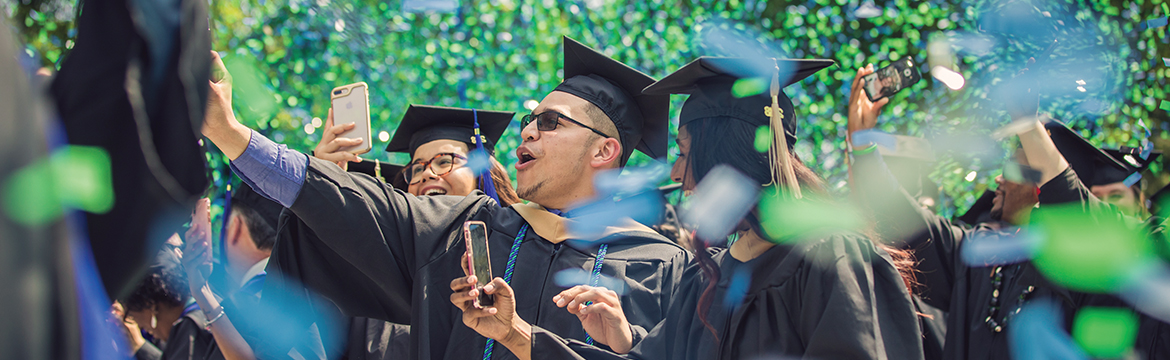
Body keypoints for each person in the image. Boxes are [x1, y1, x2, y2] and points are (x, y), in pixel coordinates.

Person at [201, 37, 689, 359]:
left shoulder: (663, 266)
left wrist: (625, 342)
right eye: (528, 120)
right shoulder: (468, 228)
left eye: (550, 122)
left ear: (604, 150)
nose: (528, 131)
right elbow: (349, 202)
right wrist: (231, 133)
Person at [454, 57, 925, 360]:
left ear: (726, 157)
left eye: (684, 153)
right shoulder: (709, 278)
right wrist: (515, 333)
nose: (677, 174)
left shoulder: (830, 258)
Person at [847, 63, 1128, 359]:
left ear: (1042, 186)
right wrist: (862, 143)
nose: (999, 179)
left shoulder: (1081, 274)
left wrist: (1030, 128)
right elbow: (908, 224)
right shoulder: (982, 253)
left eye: (1013, 168)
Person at [313, 104, 518, 360]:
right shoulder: (385, 272)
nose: (427, 174)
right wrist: (321, 183)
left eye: (445, 161)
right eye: (417, 168)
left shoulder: (520, 251)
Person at [117, 239, 225, 360]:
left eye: (131, 316)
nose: (140, 327)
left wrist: (140, 347)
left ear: (151, 305)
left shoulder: (191, 325)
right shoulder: (209, 306)